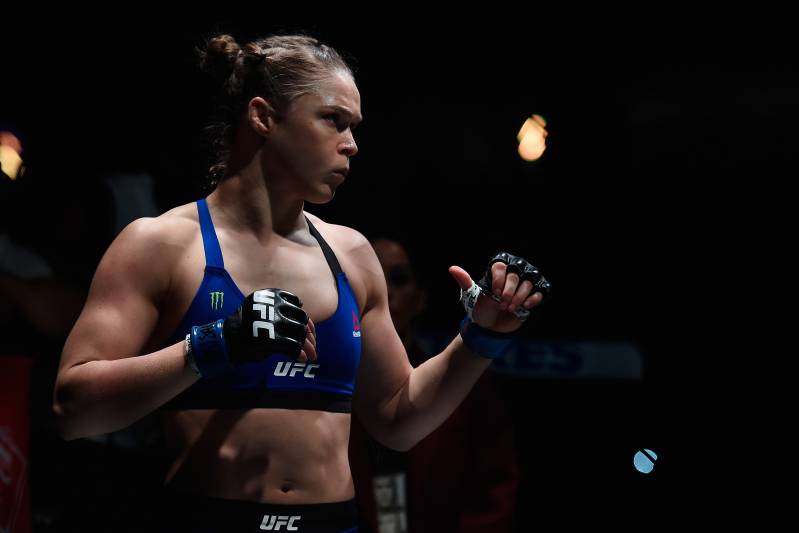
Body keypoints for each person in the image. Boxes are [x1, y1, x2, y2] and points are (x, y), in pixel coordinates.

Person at [52, 33, 548, 533]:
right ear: (263, 116)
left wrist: (482, 335)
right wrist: (216, 344)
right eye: (333, 119)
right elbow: (73, 411)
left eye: (354, 127)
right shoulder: (160, 245)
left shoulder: (352, 255)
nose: (351, 144)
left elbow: (398, 419)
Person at [350, 238, 520, 533]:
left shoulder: (467, 385)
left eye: (399, 279)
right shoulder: (324, 378)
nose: (384, 290)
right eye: (371, 276)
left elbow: (494, 488)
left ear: (420, 298)